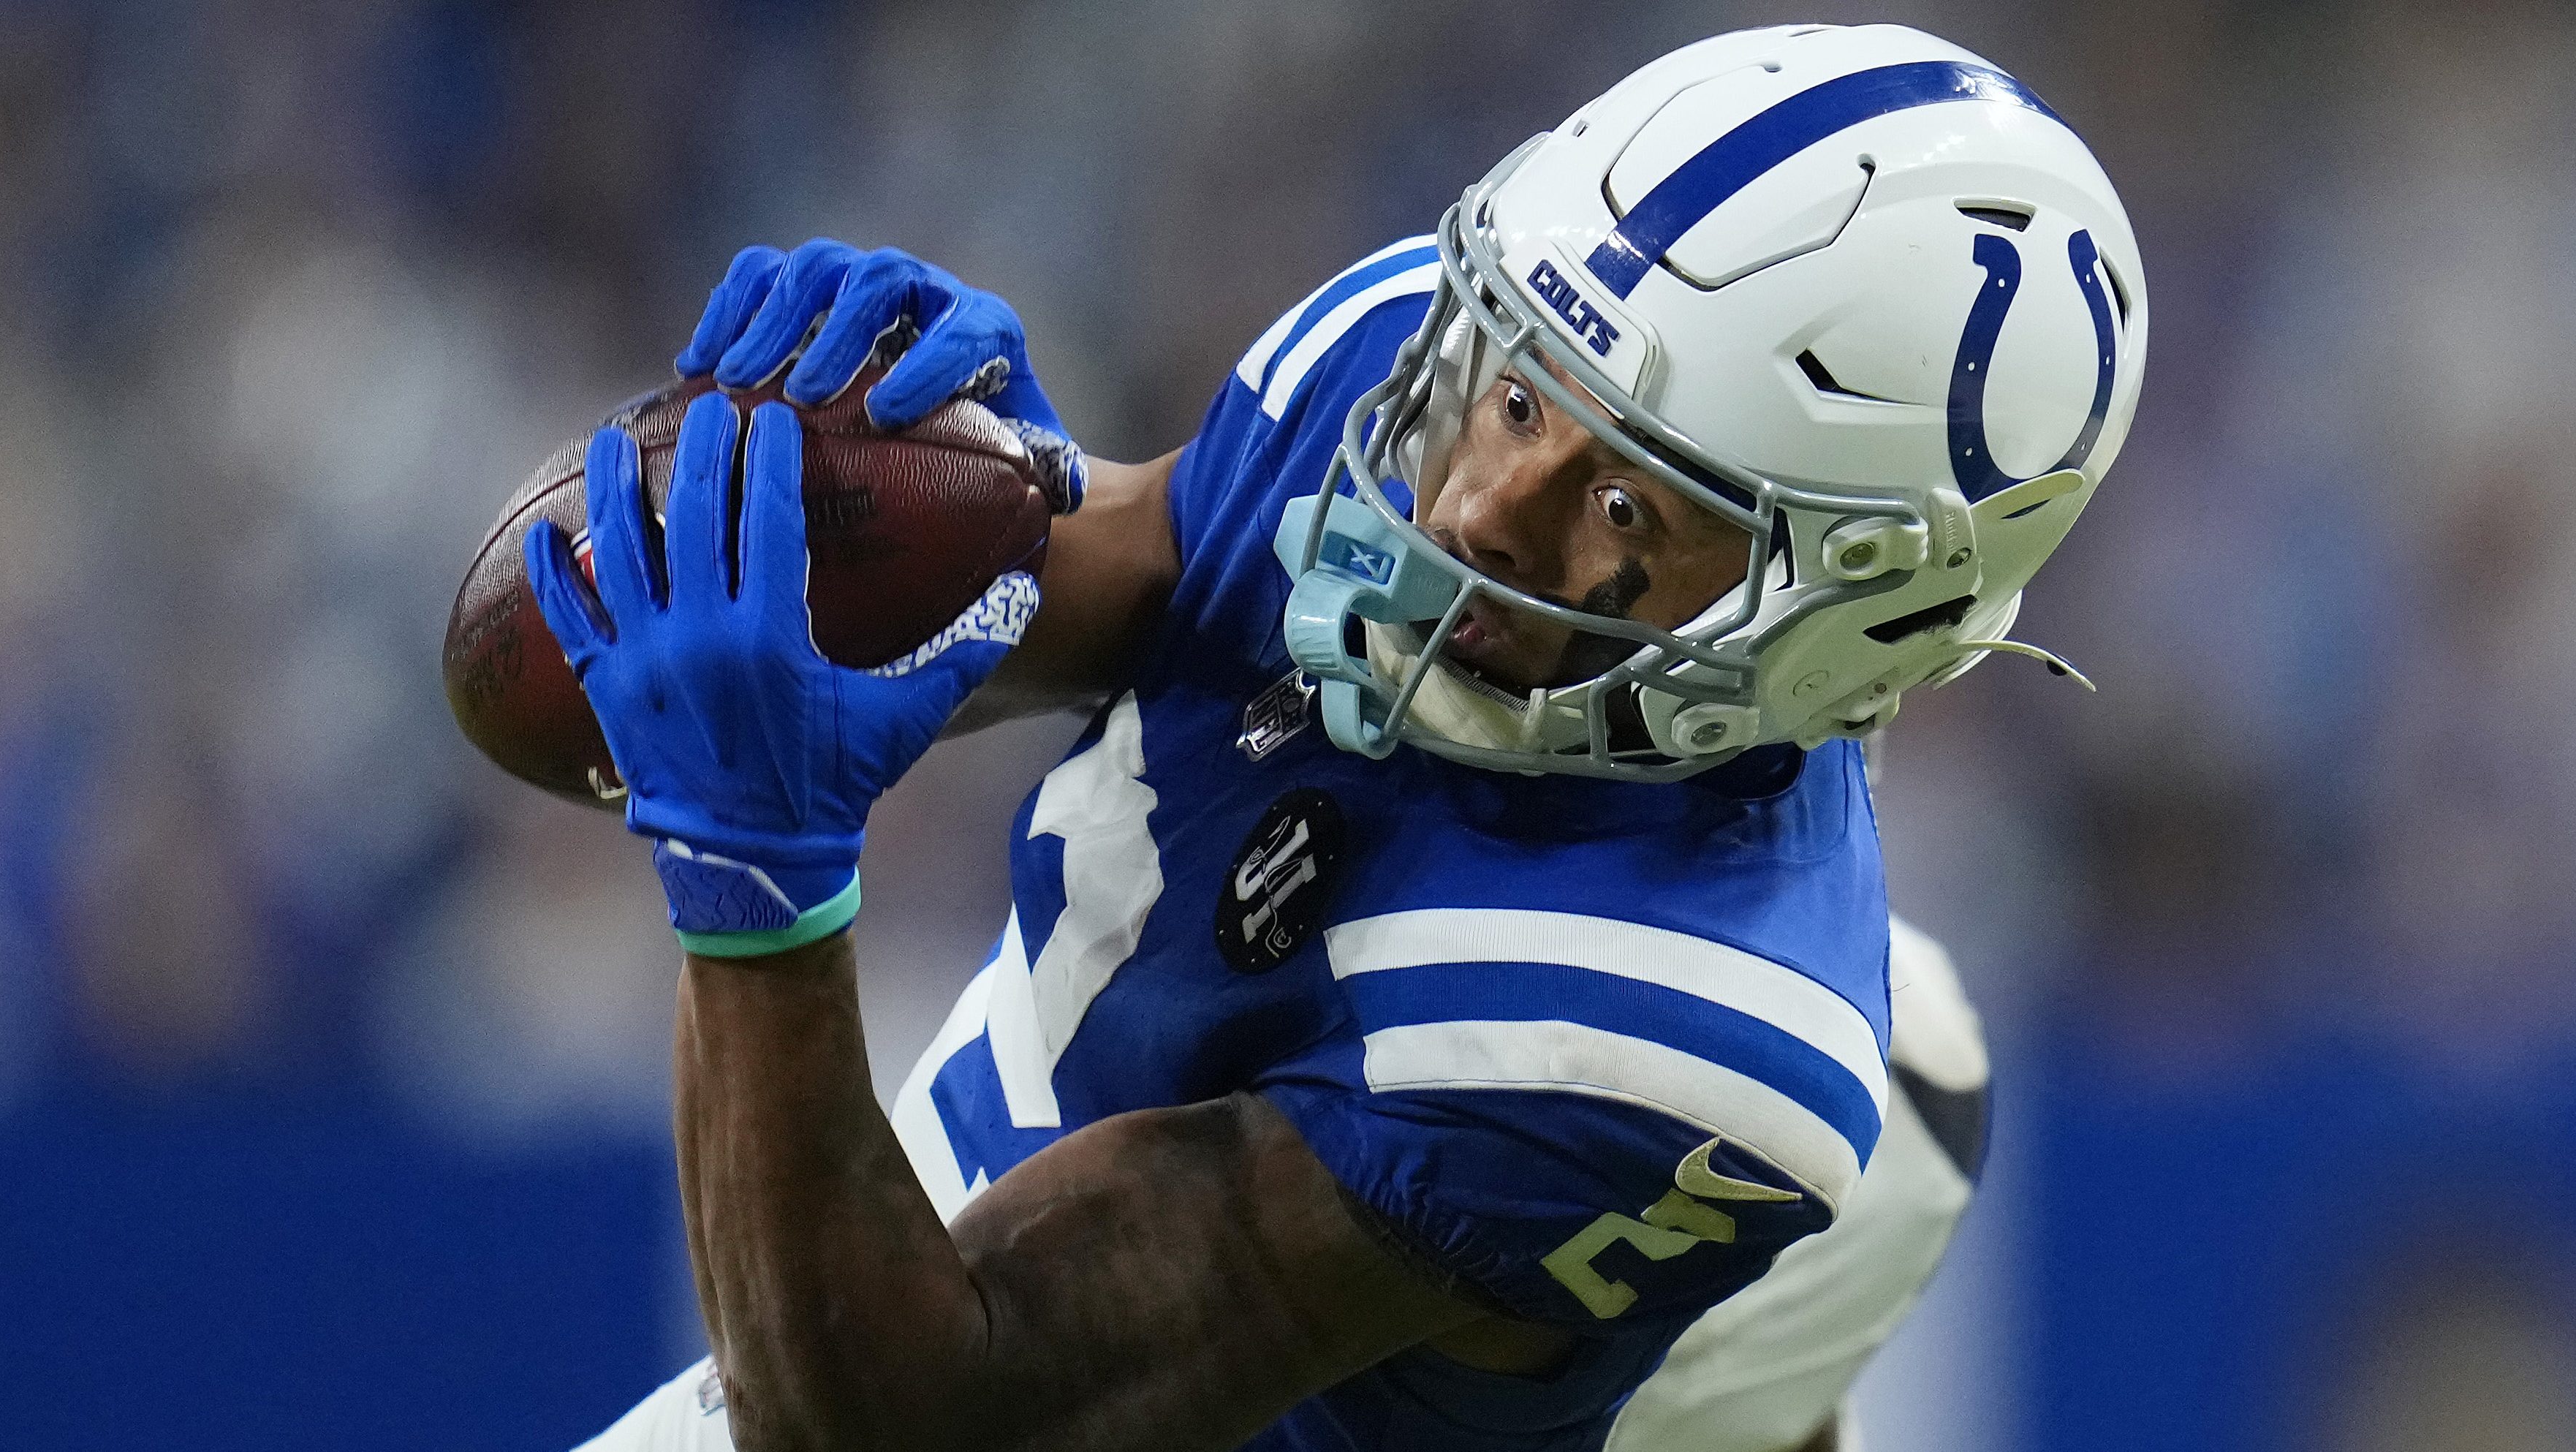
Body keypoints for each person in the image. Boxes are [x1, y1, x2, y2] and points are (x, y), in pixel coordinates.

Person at [545, 21, 2142, 1452]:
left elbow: (905, 1423)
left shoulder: (1656, 1028)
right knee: (1904, 1053)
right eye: (1519, 398)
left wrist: (750, 871)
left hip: (1035, 1381)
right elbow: (1141, 570)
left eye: (1618, 504)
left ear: (1858, 621)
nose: (1469, 507)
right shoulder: (1436, 346)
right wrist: (924, 518)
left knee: (1887, 1090)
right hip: (989, 1213)